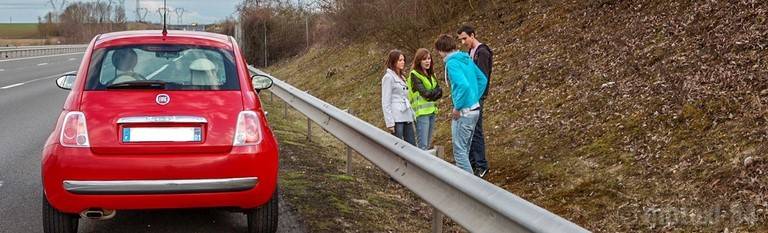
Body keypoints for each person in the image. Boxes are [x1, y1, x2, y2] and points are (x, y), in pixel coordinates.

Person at [434, 34, 487, 174]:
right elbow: (482, 79)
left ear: (441, 50)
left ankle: (470, 189)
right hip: (475, 109)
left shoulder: (451, 63)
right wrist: (475, 98)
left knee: (460, 153)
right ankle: (472, 187)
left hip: (464, 112)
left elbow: (462, 85)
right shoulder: (466, 59)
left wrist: (458, 106)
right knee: (466, 149)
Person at [458, 25, 493, 178]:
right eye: (461, 40)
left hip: (476, 97)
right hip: (470, 97)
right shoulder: (470, 52)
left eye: (465, 38)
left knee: (476, 130)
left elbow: (482, 79)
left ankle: (481, 165)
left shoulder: (482, 52)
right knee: (469, 130)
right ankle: (472, 162)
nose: (463, 42)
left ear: (472, 35)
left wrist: (476, 97)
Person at [407, 48, 442, 150]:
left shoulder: (431, 75)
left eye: (429, 59)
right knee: (423, 145)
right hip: (421, 113)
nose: (427, 61)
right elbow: (425, 93)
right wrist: (434, 93)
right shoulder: (414, 74)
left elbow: (440, 92)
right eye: (424, 59)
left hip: (432, 111)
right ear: (419, 61)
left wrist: (433, 93)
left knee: (427, 143)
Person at [381, 49, 416, 146]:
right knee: (397, 145)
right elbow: (385, 101)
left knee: (412, 145)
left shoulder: (402, 77)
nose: (403, 62)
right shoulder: (388, 77)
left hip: (406, 115)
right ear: (393, 61)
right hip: (396, 117)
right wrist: (390, 122)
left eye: (403, 60)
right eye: (400, 60)